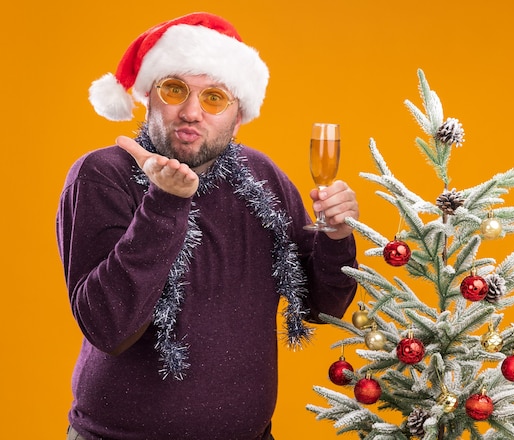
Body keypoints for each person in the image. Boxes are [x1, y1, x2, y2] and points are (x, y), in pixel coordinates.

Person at [56, 12, 359, 440]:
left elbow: (322, 307)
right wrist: (164, 203)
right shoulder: (102, 175)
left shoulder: (263, 177)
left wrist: (337, 236)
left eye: (214, 97)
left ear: (238, 116)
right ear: (149, 99)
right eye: (175, 89)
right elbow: (109, 327)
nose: (192, 112)